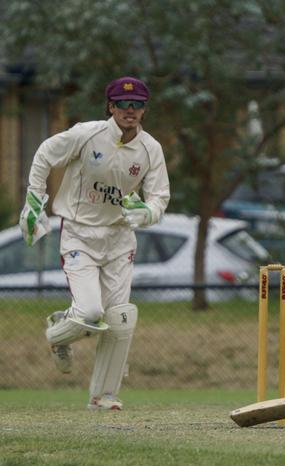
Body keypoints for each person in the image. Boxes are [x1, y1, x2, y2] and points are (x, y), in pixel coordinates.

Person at [19, 76, 170, 411]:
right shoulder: (86, 134)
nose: (130, 111)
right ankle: (58, 333)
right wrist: (34, 199)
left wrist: (146, 213)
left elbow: (159, 197)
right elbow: (45, 153)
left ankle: (104, 396)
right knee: (90, 312)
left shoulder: (150, 150)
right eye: (123, 104)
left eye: (137, 105)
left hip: (119, 240)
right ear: (111, 107)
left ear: (144, 109)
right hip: (79, 233)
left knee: (119, 319)